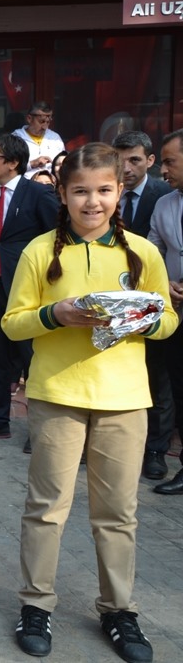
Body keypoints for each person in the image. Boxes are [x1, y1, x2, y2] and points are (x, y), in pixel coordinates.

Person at [2, 143, 177, 661]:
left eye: (103, 190)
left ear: (120, 191)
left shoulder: (141, 252)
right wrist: (55, 314)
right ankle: (36, 603)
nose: (92, 202)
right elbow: (13, 323)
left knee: (118, 513)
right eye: (80, 191)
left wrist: (142, 319)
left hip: (125, 399)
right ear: (62, 193)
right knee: (46, 509)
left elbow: (168, 320)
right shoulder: (39, 251)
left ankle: (118, 610)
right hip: (57, 395)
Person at [0, 134, 59, 442]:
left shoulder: (38, 194)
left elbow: (56, 238)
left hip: (28, 288)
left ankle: (40, 427)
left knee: (31, 358)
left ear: (12, 162)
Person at [112, 131, 174, 481]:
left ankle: (155, 450)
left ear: (150, 161)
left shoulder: (164, 195)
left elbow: (159, 247)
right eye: (120, 160)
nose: (126, 167)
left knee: (157, 377)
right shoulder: (107, 193)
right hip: (112, 302)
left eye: (134, 160)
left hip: (155, 298)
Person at [147, 129, 183, 495]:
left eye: (170, 161)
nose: (164, 170)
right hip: (175, 310)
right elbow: (153, 250)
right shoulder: (164, 204)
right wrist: (164, 284)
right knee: (177, 387)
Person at [12, 101, 65, 179]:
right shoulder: (16, 138)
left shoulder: (55, 138)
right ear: (29, 118)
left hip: (51, 184)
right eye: (41, 122)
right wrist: (32, 164)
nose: (45, 127)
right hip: (25, 184)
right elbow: (8, 168)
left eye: (48, 122)